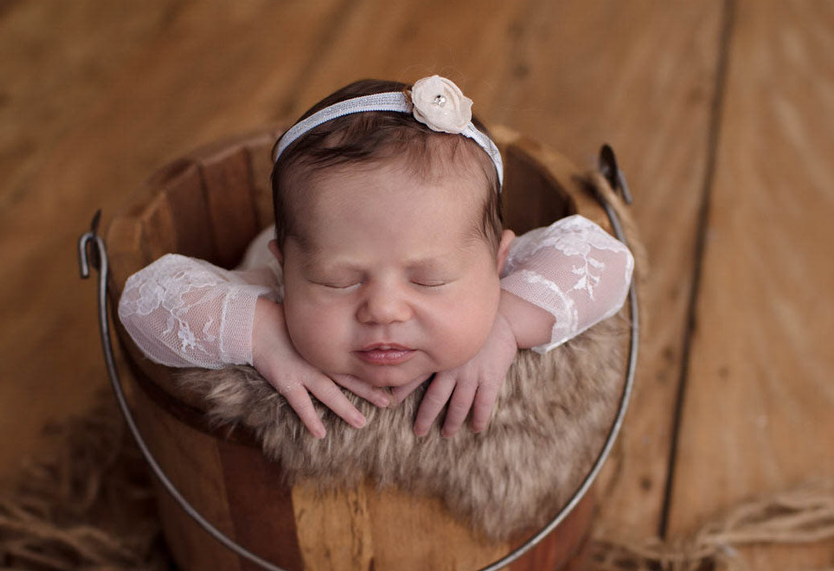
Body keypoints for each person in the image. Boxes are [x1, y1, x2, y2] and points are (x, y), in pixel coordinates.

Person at [119, 76, 632, 439]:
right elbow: (142, 299)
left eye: (429, 280)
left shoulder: (498, 270)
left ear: (500, 263)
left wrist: (507, 322)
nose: (384, 309)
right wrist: (260, 330)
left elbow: (607, 258)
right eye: (337, 281)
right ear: (285, 268)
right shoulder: (271, 289)